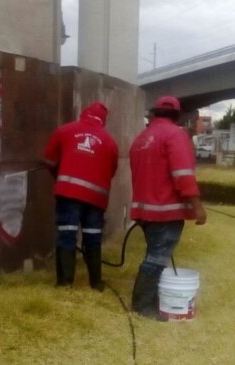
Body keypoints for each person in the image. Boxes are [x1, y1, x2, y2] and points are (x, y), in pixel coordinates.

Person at [129, 95, 207, 321]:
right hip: (166, 209)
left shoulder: (142, 138)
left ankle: (151, 299)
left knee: (154, 254)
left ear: (155, 113)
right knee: (157, 257)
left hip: (144, 209)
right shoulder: (175, 134)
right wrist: (197, 207)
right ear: (177, 115)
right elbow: (183, 175)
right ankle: (142, 306)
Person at [42, 102, 119, 291]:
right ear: (103, 120)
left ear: (84, 114)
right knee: (93, 237)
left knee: (67, 235)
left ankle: (65, 283)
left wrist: (60, 177)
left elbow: (48, 160)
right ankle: (96, 283)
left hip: (69, 194)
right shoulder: (110, 142)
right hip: (96, 198)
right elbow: (112, 171)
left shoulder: (64, 131)